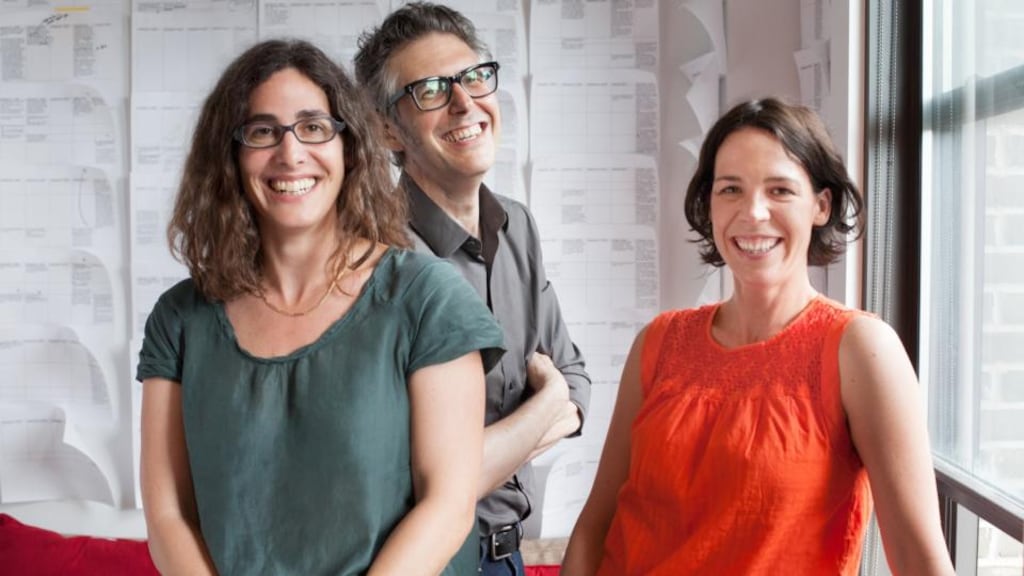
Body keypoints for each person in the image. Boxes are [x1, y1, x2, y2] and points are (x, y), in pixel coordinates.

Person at [137, 38, 504, 576]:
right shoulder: (179, 319)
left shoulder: (428, 299)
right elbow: (169, 513)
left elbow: (446, 508)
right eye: (263, 132)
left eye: (314, 127)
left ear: (349, 147)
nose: (291, 154)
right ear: (230, 156)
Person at [561, 98, 955, 575]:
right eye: (731, 189)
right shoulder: (658, 342)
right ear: (709, 203)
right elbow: (595, 527)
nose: (753, 212)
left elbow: (919, 561)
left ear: (821, 205)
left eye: (780, 190)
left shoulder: (861, 350)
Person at [354, 4, 591, 574]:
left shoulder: (517, 227)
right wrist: (546, 403)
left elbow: (578, 382)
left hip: (509, 559)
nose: (466, 103)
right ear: (389, 129)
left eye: (474, 77)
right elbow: (423, 473)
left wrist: (546, 408)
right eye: (432, 89)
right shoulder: (372, 253)